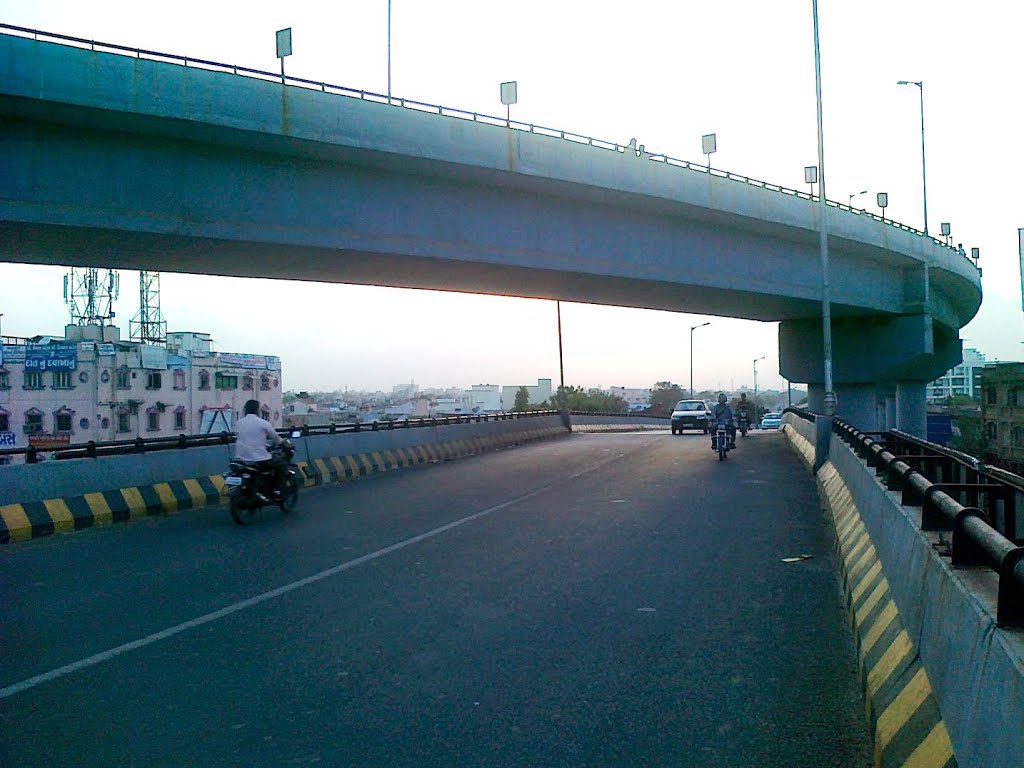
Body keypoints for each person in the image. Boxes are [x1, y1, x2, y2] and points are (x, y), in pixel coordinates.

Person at [234, 399, 285, 496]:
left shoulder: (238, 423)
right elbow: (275, 438)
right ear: (257, 410)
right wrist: (281, 443)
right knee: (280, 466)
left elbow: (243, 438)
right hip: (258, 459)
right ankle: (277, 490)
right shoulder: (263, 423)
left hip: (240, 458)